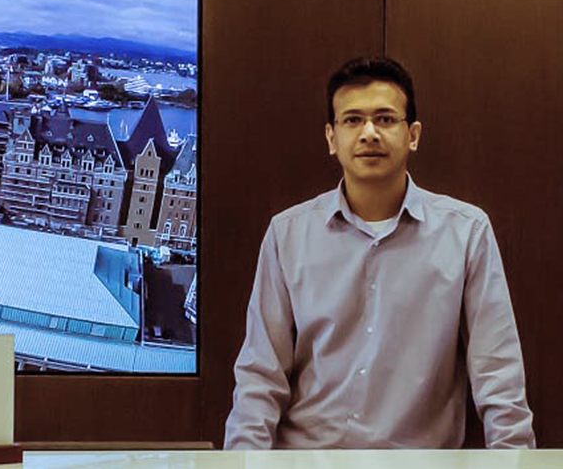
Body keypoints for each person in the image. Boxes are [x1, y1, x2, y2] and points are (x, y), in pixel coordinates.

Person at [224, 56, 535, 449]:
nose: (369, 133)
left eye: (385, 119)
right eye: (352, 120)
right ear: (331, 138)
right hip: (307, 460)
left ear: (414, 134)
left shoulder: (467, 232)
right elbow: (259, 378)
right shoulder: (288, 234)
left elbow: (499, 377)